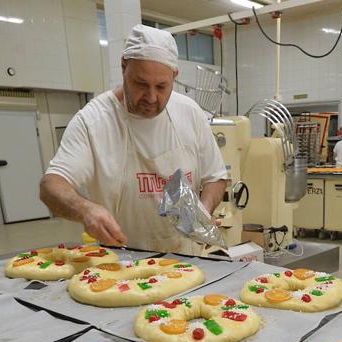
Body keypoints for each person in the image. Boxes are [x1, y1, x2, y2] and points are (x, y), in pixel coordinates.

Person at [39, 24, 228, 253]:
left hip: (187, 260)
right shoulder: (94, 121)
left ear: (174, 77)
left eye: (161, 86)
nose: (151, 97)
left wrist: (202, 213)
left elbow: (216, 177)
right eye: (141, 84)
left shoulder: (189, 112)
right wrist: (85, 210)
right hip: (122, 264)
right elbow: (51, 185)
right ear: (123, 66)